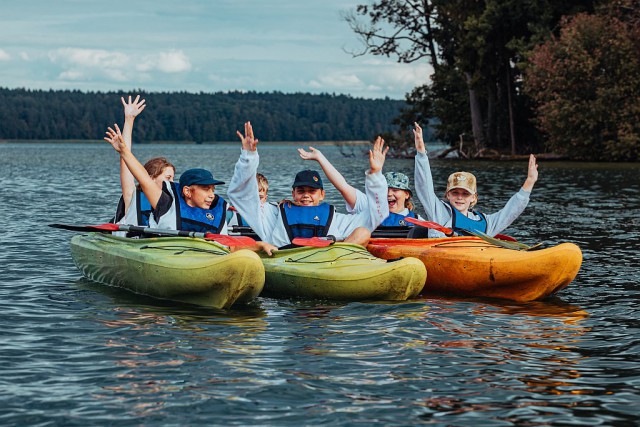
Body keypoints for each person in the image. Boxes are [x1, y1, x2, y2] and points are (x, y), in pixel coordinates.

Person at [104, 124, 277, 255]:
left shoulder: (218, 211)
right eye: (205, 189)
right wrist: (124, 151)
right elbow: (143, 177)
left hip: (202, 262)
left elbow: (230, 245)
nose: (211, 195)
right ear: (187, 191)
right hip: (168, 258)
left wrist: (259, 245)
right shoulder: (166, 203)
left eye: (212, 190)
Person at [228, 122, 389, 248]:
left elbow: (377, 215)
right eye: (301, 190)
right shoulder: (273, 214)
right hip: (286, 260)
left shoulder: (335, 218)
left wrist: (375, 175)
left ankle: (337, 265)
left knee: (363, 232)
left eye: (312, 191)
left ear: (322, 195)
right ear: (293, 193)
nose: (306, 195)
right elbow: (241, 196)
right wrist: (248, 157)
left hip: (326, 262)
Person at [413, 122, 539, 237]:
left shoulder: (486, 222)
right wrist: (421, 154)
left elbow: (510, 212)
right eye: (455, 192)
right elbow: (424, 187)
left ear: (473, 197)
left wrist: (530, 182)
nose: (460, 197)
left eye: (465, 193)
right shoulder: (438, 212)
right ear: (448, 195)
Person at [297, 147, 424, 228]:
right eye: (386, 189)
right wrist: (320, 158)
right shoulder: (368, 206)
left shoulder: (418, 221)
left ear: (407, 194)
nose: (389, 194)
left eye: (395, 190)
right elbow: (342, 185)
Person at [111, 95, 176, 227]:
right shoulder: (132, 196)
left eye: (173, 178)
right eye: (168, 178)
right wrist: (129, 119)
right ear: (151, 178)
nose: (172, 183)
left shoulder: (172, 203)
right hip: (134, 244)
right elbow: (126, 160)